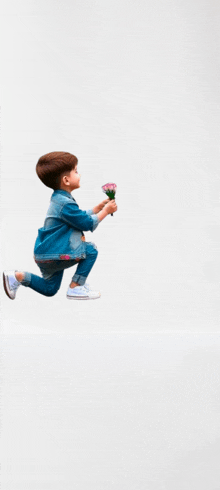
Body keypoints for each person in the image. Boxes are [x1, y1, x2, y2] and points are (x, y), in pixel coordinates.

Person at [3, 151, 117, 300]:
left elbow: (78, 216)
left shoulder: (60, 199)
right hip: (55, 253)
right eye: (76, 171)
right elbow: (87, 223)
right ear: (66, 180)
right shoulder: (65, 203)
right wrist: (106, 212)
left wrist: (97, 208)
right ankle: (76, 287)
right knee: (91, 250)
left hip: (47, 254)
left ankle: (17, 276)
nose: (79, 174)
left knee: (49, 288)